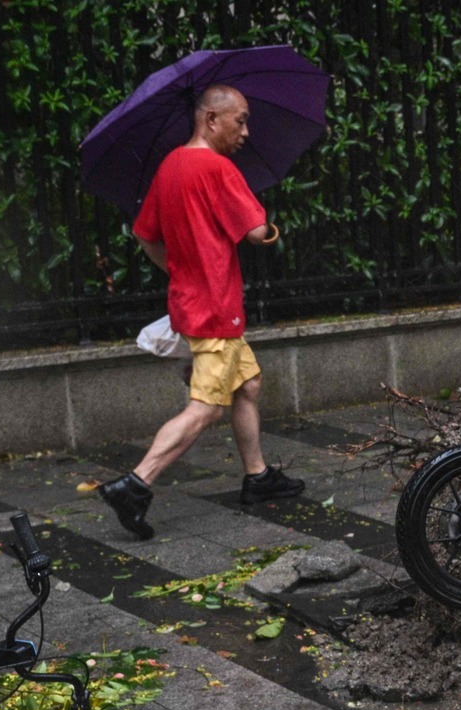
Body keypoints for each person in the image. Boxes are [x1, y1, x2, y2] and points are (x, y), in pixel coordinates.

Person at [97, 84, 304, 540]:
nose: (246, 130)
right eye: (241, 119)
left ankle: (257, 475)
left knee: (248, 383)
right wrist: (271, 229)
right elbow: (254, 231)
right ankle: (136, 483)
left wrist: (177, 267)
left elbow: (145, 233)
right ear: (211, 119)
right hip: (216, 310)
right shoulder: (217, 167)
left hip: (191, 301)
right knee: (205, 408)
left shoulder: (170, 165)